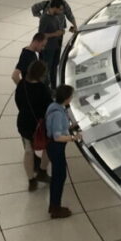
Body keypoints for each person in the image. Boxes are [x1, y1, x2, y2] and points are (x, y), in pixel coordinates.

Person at [15, 59, 52, 191]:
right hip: (39, 126)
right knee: (48, 147)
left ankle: (31, 180)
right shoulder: (42, 89)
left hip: (23, 123)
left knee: (28, 151)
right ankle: (42, 171)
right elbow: (48, 108)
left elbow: (18, 103)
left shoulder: (21, 84)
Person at [45, 84, 82, 218]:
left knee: (58, 176)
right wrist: (73, 137)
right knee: (59, 177)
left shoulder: (55, 106)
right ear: (67, 99)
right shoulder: (59, 114)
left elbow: (60, 127)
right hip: (56, 147)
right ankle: (55, 208)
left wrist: (72, 126)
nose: (71, 98)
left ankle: (54, 205)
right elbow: (57, 136)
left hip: (54, 147)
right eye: (71, 96)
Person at [37, 0, 67, 87]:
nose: (61, 12)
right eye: (60, 9)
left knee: (54, 68)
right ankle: (45, 88)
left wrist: (61, 32)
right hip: (48, 48)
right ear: (54, 7)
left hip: (56, 47)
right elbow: (41, 35)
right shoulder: (44, 19)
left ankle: (54, 86)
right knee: (47, 69)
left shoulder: (55, 17)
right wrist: (55, 34)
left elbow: (57, 30)